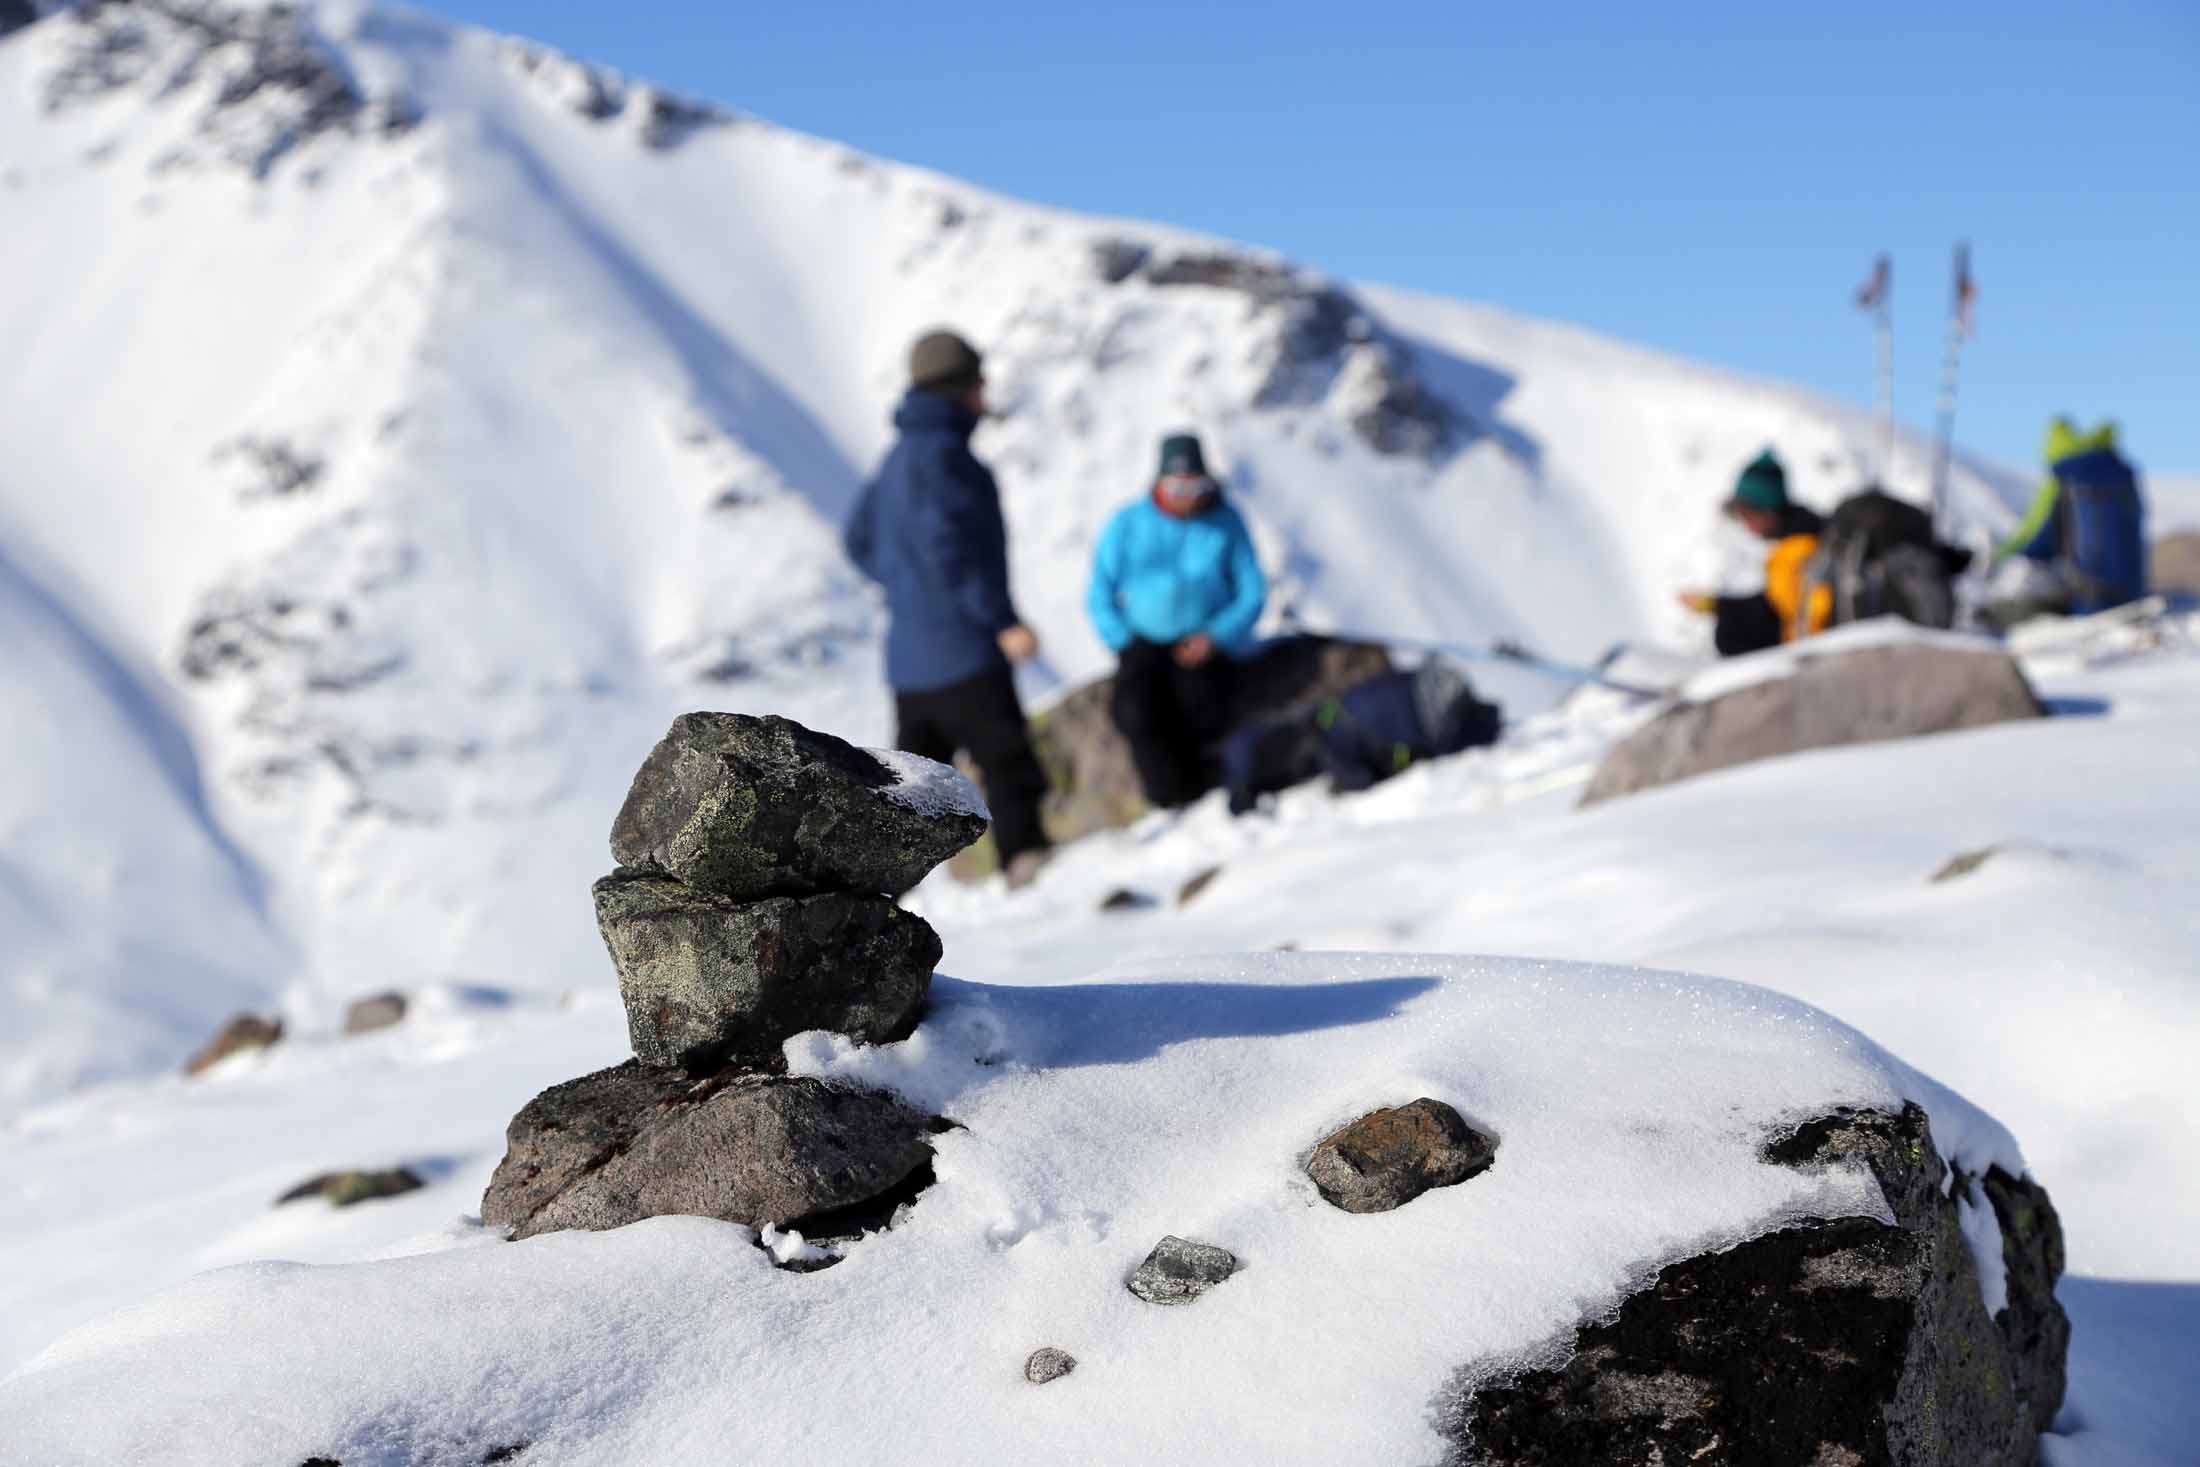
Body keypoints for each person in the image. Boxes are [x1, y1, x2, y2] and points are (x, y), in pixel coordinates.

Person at [844, 329, 1052, 883]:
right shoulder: (950, 459)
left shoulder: (895, 460)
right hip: (966, 654)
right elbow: (951, 553)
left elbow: (858, 540)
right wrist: (1002, 621)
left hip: (910, 664)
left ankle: (875, 897)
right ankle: (1029, 878)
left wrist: (904, 586)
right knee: (1010, 769)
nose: (986, 395)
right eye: (979, 383)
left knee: (909, 795)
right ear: (960, 388)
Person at [1087, 433, 1267, 808]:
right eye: (1177, 487)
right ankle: (1168, 799)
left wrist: (1217, 636)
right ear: (1159, 482)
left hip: (1204, 639)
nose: (1186, 497)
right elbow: (1100, 591)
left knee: (1203, 702)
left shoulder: (1226, 522)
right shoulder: (1128, 523)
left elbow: (1252, 591)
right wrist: (1122, 640)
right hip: (1142, 640)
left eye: (1195, 486)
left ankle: (1213, 786)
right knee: (1136, 710)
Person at [1221, 660, 1502, 815]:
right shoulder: (1320, 712)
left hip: (1423, 718)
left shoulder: (1317, 743)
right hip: (1418, 689)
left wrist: (1359, 781)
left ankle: (1475, 720)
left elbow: (1355, 775)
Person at [1986, 417, 2147, 624]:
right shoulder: (2123, 474)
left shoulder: (2068, 478)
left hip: (2089, 602)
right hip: (2134, 595)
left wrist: (2003, 555)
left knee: (1999, 612)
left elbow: (2041, 540)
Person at [1678, 449, 1830, 656]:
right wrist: (1715, 606)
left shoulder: (1802, 548)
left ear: (1768, 510)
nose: (1745, 523)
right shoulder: (1793, 543)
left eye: (1747, 513)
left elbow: (1815, 621)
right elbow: (1775, 605)